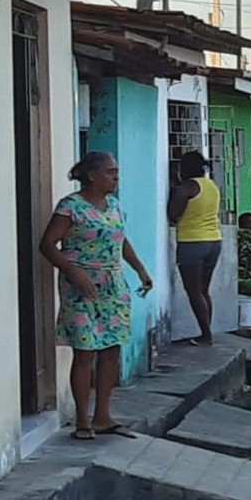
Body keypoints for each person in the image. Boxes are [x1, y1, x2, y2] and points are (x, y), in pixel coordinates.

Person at [39, 151, 153, 440]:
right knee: (85, 351)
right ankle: (82, 420)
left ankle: (103, 415)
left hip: (112, 285)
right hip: (81, 287)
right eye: (110, 171)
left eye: (116, 172)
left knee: (111, 350)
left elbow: (120, 240)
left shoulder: (113, 206)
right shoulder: (71, 207)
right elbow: (48, 245)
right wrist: (75, 273)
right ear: (92, 175)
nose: (116, 177)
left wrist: (140, 269)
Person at [168, 151, 221, 346]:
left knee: (193, 290)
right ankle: (207, 331)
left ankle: (205, 334)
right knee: (204, 290)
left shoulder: (186, 188)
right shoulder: (212, 186)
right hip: (214, 240)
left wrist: (174, 191)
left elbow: (173, 214)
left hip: (192, 242)